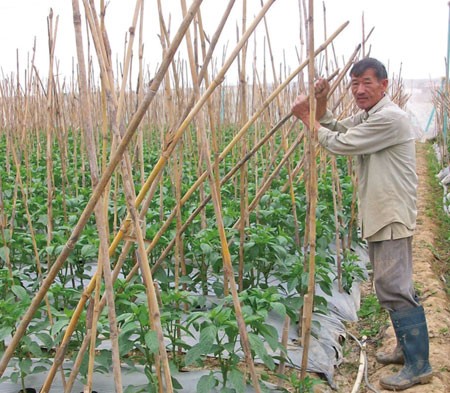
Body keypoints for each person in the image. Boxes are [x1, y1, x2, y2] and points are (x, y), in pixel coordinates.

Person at [291, 57, 433, 391]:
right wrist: (321, 104)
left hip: (391, 214)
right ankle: (405, 350)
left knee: (394, 287)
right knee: (391, 285)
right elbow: (338, 126)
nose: (359, 89)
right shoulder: (372, 116)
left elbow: (340, 143)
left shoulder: (391, 119)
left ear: (383, 85)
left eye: (367, 82)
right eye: (354, 83)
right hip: (382, 212)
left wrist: (306, 119)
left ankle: (419, 365)